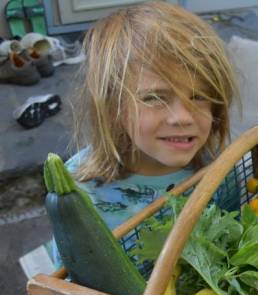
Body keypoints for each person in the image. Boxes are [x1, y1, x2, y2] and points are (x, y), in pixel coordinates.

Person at [45, 1, 238, 266]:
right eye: (156, 97)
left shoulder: (220, 172)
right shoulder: (80, 191)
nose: (182, 117)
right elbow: (67, 286)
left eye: (199, 96)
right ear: (113, 107)